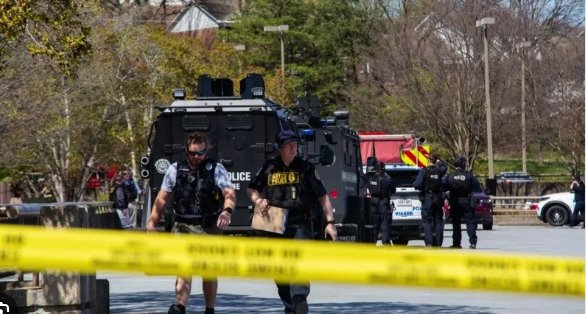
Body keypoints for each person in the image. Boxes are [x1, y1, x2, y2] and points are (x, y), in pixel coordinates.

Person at [247, 130, 337, 314]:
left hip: (300, 223)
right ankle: (290, 306)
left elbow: (322, 196)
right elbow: (251, 190)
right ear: (280, 148)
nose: (293, 148)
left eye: (295, 144)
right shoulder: (269, 167)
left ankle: (300, 303)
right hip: (274, 222)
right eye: (289, 145)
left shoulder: (305, 168)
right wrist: (258, 200)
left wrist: (330, 222)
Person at [147, 132, 236, 314]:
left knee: (209, 271)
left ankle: (209, 309)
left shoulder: (216, 168)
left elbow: (229, 193)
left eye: (201, 153)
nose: (197, 157)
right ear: (186, 151)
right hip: (183, 226)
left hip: (208, 227)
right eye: (193, 153)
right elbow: (162, 199)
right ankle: (180, 307)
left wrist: (227, 211)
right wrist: (151, 222)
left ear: (206, 150)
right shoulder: (174, 169)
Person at [442, 156, 480, 249]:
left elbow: (443, 186)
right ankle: (473, 242)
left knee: (456, 223)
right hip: (467, 201)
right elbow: (477, 189)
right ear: (463, 165)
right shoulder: (469, 175)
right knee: (470, 222)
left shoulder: (450, 176)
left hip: (455, 202)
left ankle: (456, 243)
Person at [413, 154, 447, 247]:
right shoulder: (440, 171)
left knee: (427, 221)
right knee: (438, 221)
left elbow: (417, 185)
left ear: (428, 161)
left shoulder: (424, 171)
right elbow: (445, 167)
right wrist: (440, 160)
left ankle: (429, 243)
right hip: (438, 199)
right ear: (436, 161)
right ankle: (439, 243)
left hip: (428, 199)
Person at [366, 160, 395, 246]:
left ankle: (373, 242)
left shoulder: (370, 178)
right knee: (385, 224)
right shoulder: (387, 180)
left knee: (374, 224)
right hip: (384, 204)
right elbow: (393, 190)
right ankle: (385, 243)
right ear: (383, 169)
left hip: (373, 204)